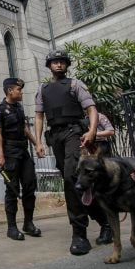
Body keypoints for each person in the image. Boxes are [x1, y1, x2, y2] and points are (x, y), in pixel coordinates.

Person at [34, 49, 112, 256]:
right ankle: (105, 222)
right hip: (56, 138)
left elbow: (91, 109)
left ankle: (79, 234)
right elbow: (39, 116)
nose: (58, 65)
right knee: (76, 184)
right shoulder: (43, 89)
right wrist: (38, 141)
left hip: (74, 134)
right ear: (49, 65)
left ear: (67, 65)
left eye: (62, 62)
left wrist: (92, 131)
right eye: (55, 62)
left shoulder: (75, 84)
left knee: (71, 178)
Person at [0, 77, 43, 240]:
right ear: (10, 91)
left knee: (29, 187)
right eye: (19, 90)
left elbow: (24, 128)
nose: (21, 92)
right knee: (12, 190)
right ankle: (11, 228)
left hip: (23, 152)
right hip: (10, 154)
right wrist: (0, 155)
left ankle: (28, 224)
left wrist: (37, 143)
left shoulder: (19, 107)